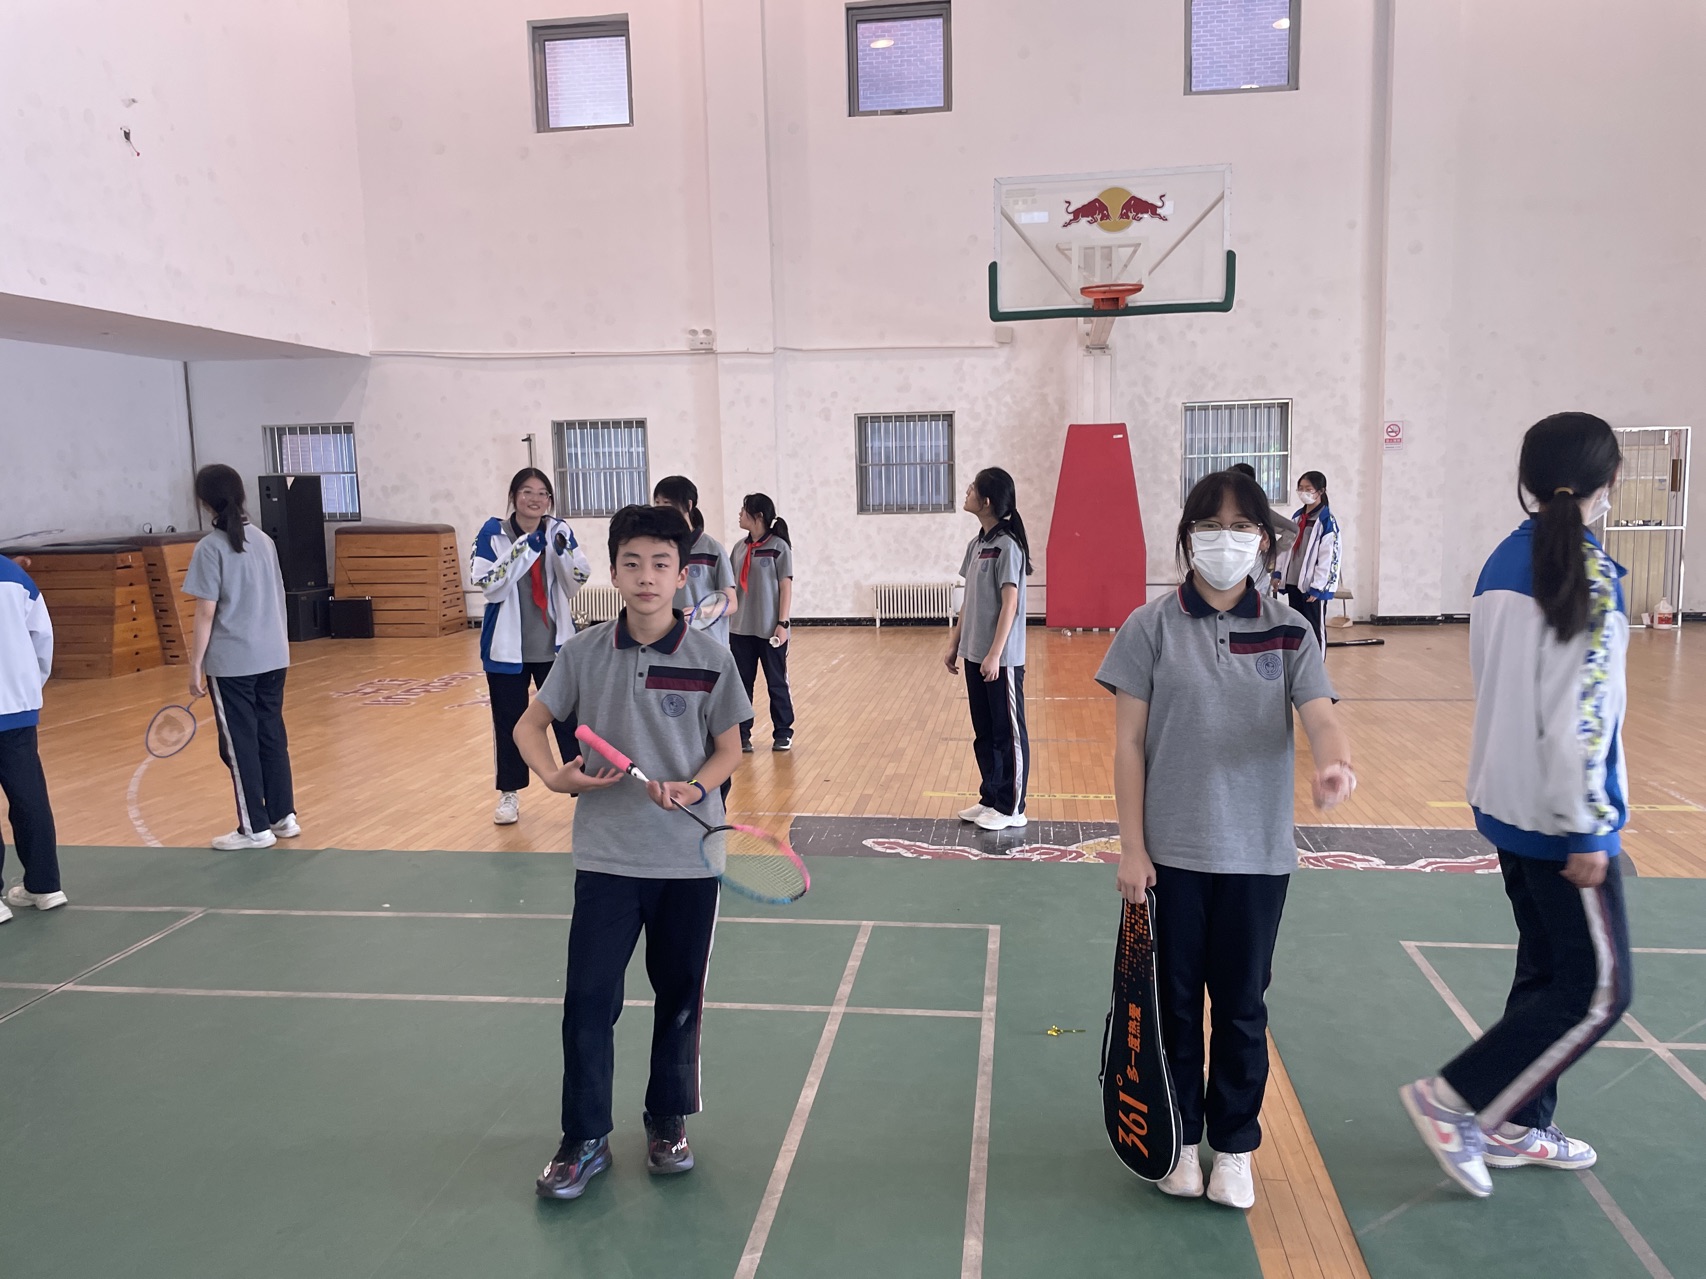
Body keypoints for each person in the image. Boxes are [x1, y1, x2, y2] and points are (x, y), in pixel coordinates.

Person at [1098, 469, 1353, 1210]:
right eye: (1210, 525)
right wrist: (1132, 847)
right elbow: (1128, 744)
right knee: (1174, 1004)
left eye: (1242, 526)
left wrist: (1334, 761)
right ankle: (1179, 1139)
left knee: (1242, 1007)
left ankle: (1234, 1147)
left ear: (1265, 542)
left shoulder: (1289, 628)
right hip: (1170, 858)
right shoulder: (1148, 627)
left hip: (1257, 859)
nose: (1226, 539)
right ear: (1187, 538)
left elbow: (1321, 712)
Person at [1400, 413, 1633, 1199]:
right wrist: (1590, 824)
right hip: (1564, 821)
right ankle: (1453, 1098)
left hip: (1506, 804)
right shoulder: (1588, 574)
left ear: (1525, 480)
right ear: (1609, 482)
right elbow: (1582, 719)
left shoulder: (1502, 560)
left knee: (1547, 969)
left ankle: (1518, 1123)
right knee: (1598, 989)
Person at [516, 503, 752, 1201]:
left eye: (660, 564)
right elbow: (530, 725)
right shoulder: (583, 653)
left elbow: (730, 749)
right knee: (588, 998)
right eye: (632, 563)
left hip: (688, 860)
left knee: (679, 998)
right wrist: (553, 775)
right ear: (614, 573)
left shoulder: (711, 658)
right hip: (607, 857)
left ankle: (666, 1119)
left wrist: (695, 786)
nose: (646, 576)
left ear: (682, 576)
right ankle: (584, 1136)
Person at [184, 465, 298, 851]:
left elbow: (205, 612)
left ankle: (255, 828)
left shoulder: (210, 548)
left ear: (204, 502)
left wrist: (195, 664)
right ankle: (283, 816)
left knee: (239, 744)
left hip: (234, 662)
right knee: (271, 735)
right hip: (273, 656)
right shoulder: (264, 541)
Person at [470, 467, 592, 825]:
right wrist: (524, 549)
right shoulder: (493, 533)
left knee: (568, 720)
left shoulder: (558, 530)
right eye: (527, 492)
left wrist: (560, 553)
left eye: (542, 493)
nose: (535, 499)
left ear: (549, 500)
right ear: (514, 497)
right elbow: (489, 585)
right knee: (510, 722)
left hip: (554, 647)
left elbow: (577, 579)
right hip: (506, 649)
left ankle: (584, 791)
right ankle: (509, 794)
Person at [943, 467, 1032, 832]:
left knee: (1007, 733)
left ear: (987, 501)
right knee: (984, 731)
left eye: (972, 489)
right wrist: (955, 644)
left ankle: (1012, 806)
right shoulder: (977, 545)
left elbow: (1010, 605)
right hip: (975, 654)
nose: (967, 493)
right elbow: (969, 601)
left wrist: (996, 653)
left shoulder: (1008, 547)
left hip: (1002, 659)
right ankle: (991, 797)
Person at [1, 553, 65, 922]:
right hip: (18, 707)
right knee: (30, 798)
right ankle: (45, 886)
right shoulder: (14, 575)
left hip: (17, 702)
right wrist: (29, 686)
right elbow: (43, 636)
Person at [729, 492, 795, 753]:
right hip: (740, 629)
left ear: (758, 516)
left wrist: (783, 623)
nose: (739, 514)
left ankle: (783, 732)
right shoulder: (738, 548)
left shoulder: (779, 547)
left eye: (744, 510)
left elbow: (786, 587)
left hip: (770, 630)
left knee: (776, 682)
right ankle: (742, 734)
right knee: (741, 685)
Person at [652, 476, 737, 647]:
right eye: (657, 503)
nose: (660, 509)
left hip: (709, 645)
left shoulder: (712, 549)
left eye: (667, 503)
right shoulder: (657, 548)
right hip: (671, 642)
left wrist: (701, 612)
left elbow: (731, 603)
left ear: (688, 505)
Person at [1272, 470, 1340, 649]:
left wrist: (1318, 586)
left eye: (1308, 489)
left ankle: (1317, 664)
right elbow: (1286, 547)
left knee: (1315, 630)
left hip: (1312, 587)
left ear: (1321, 491)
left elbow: (1328, 558)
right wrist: (1278, 573)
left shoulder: (1326, 521)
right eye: (1300, 488)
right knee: (1297, 627)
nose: (1303, 493)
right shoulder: (1297, 517)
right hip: (1294, 582)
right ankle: (1299, 661)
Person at [1228, 464, 1297, 566]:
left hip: (1252, 567)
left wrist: (1268, 556)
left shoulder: (1256, 506)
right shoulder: (1218, 506)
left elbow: (1292, 530)